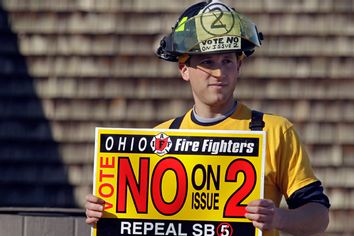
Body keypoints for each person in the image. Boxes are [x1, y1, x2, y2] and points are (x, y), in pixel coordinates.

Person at [85, 0, 330, 235]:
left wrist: (278, 217)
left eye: (227, 60)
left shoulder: (275, 130)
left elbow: (319, 216)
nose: (218, 72)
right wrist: (104, 213)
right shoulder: (160, 138)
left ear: (239, 67)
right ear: (184, 70)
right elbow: (137, 224)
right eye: (207, 61)